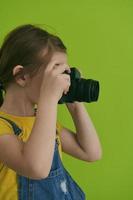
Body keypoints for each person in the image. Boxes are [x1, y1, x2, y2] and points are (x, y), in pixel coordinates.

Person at [0, 24, 102, 200]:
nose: (62, 79)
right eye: (55, 72)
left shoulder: (43, 122)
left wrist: (74, 103)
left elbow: (90, 152)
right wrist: (49, 98)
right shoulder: (3, 127)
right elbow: (36, 169)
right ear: (22, 76)